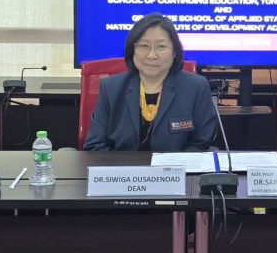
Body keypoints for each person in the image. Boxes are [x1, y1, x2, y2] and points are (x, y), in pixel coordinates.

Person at [83, 13, 217, 151]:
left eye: (161, 47)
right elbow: (95, 145)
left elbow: (200, 144)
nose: (151, 55)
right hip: (120, 165)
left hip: (176, 165)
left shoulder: (196, 87)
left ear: (175, 52)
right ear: (132, 50)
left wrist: (171, 165)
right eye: (144, 46)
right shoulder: (111, 88)